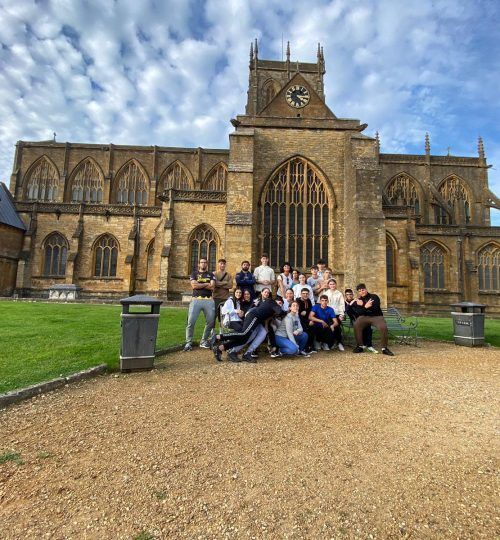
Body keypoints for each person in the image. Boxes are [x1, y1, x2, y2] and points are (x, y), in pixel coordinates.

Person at [212, 294, 282, 362]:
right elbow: (280, 311)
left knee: (245, 339)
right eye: (279, 302)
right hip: (253, 317)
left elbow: (267, 319)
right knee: (244, 334)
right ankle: (218, 337)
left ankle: (220, 348)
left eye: (281, 304)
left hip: (257, 321)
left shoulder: (271, 309)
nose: (279, 305)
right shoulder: (270, 302)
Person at [352, 283, 395, 356]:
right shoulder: (359, 300)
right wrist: (365, 306)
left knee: (383, 327)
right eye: (359, 291)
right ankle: (360, 346)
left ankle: (384, 348)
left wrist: (363, 306)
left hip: (376, 316)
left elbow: (375, 309)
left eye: (363, 290)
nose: (362, 292)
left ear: (366, 289)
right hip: (365, 317)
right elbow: (359, 313)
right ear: (358, 292)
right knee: (356, 324)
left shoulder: (374, 297)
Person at [184, 258, 215, 352]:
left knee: (210, 322)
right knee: (191, 322)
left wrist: (200, 284)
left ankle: (203, 341)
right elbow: (194, 286)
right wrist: (206, 284)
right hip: (196, 300)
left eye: (205, 262)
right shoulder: (194, 274)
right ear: (199, 264)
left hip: (208, 300)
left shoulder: (211, 274)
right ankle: (188, 342)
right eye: (202, 262)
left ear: (207, 264)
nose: (203, 264)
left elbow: (212, 286)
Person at [345, 288, 377, 353]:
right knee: (359, 326)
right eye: (347, 294)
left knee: (368, 326)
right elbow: (347, 311)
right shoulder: (345, 303)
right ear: (345, 295)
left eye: (350, 294)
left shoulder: (357, 301)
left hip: (361, 318)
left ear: (352, 295)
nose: (349, 296)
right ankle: (360, 346)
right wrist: (350, 304)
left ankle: (368, 345)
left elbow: (360, 310)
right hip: (354, 320)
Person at [325, 279, 345, 351]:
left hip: (336, 314)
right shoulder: (326, 293)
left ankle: (339, 343)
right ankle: (330, 343)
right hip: (328, 314)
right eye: (330, 284)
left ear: (336, 285)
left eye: (333, 284)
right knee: (328, 326)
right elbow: (323, 304)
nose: (332, 285)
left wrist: (341, 314)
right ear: (328, 285)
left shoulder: (339, 294)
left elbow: (341, 305)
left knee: (337, 327)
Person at [213, 258, 233, 324]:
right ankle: (212, 330)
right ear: (218, 264)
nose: (222, 265)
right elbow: (215, 284)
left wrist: (219, 284)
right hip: (216, 297)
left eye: (224, 264)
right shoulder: (214, 274)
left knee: (224, 314)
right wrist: (225, 282)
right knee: (214, 314)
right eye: (221, 264)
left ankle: (223, 330)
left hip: (225, 297)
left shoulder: (229, 275)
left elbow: (230, 286)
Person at [296, 288, 316, 353]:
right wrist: (308, 321)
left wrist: (306, 312)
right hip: (299, 321)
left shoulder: (308, 301)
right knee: (306, 330)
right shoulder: (298, 302)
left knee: (313, 328)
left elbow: (310, 310)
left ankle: (310, 346)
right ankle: (305, 347)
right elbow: (299, 315)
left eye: (306, 294)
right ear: (301, 294)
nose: (305, 295)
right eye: (303, 293)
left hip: (308, 318)